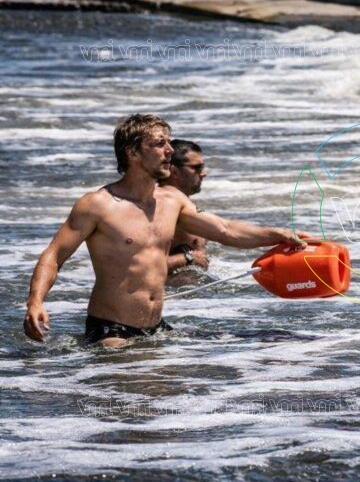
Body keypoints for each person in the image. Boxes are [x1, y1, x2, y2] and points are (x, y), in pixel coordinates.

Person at [23, 113, 307, 347]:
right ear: (133, 152)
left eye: (169, 143)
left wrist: (279, 234)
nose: (170, 151)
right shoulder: (98, 205)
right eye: (159, 144)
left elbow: (226, 230)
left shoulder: (172, 201)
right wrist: (35, 303)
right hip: (111, 333)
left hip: (156, 327)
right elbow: (54, 255)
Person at [160, 139, 209, 273]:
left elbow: (227, 231)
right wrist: (186, 258)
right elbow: (135, 265)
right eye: (196, 168)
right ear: (174, 171)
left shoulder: (188, 207)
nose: (204, 173)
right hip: (169, 293)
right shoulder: (158, 211)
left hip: (195, 291)